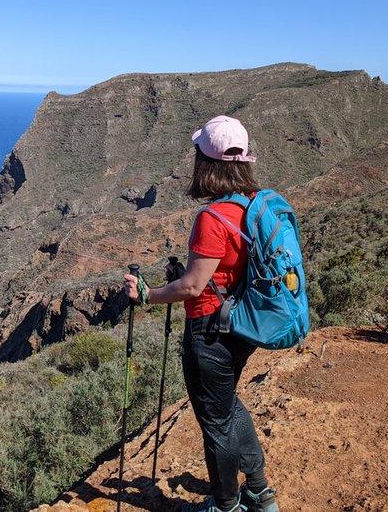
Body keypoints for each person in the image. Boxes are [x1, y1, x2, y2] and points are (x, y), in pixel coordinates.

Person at [123, 116, 279, 512]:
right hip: (244, 324)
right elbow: (221, 271)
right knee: (226, 405)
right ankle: (259, 492)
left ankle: (225, 505)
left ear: (204, 162)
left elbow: (193, 286)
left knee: (215, 423)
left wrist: (147, 294)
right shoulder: (254, 205)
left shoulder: (213, 218)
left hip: (210, 331)